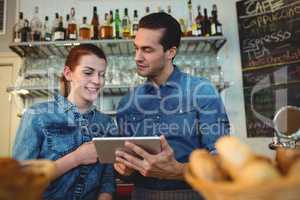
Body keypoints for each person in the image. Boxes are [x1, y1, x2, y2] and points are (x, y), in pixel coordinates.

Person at [114, 12, 230, 200]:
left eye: (147, 50)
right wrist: (124, 169)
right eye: (136, 48)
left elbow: (222, 161)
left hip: (192, 193)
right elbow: (124, 162)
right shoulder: (127, 102)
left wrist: (178, 171)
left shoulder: (202, 91)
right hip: (141, 195)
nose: (137, 57)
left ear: (170, 52)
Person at [13, 44, 116, 200]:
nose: (97, 80)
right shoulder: (37, 115)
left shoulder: (106, 123)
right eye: (88, 72)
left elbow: (107, 181)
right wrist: (76, 158)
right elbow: (19, 180)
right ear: (68, 73)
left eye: (102, 75)